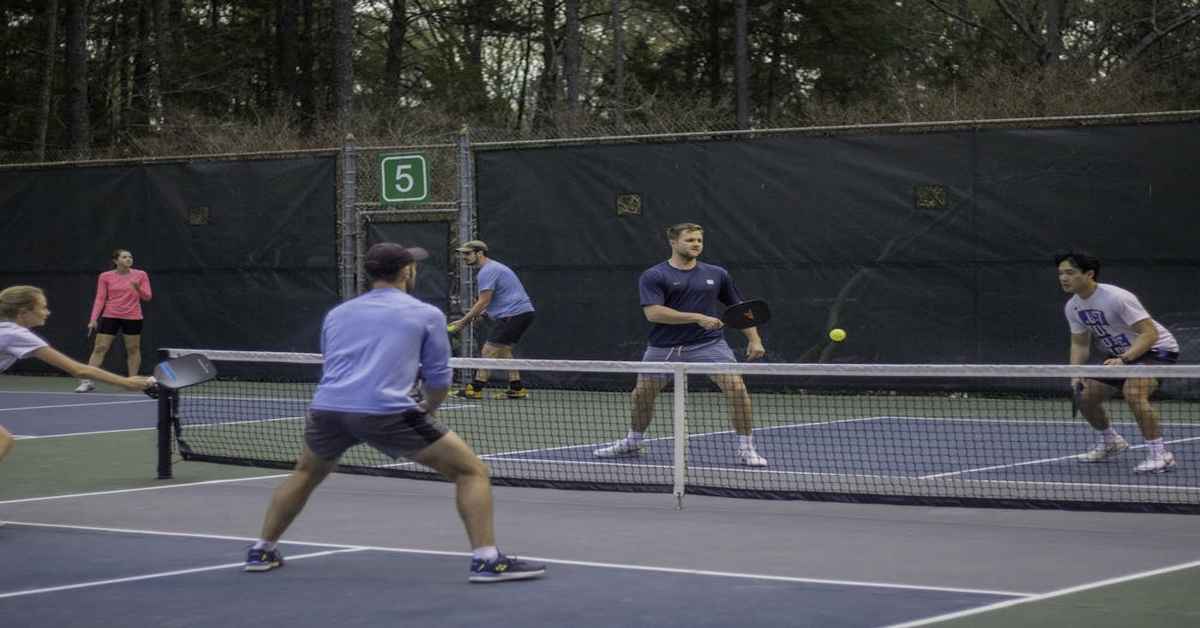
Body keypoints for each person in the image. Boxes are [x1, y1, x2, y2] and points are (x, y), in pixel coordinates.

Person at [244, 242, 545, 583]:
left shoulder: (338, 314)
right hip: (386, 412)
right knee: (471, 472)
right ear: (406, 272)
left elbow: (333, 365)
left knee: (305, 473)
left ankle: (261, 549)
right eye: (412, 265)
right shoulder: (425, 314)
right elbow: (438, 380)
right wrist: (427, 410)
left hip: (327, 409)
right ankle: (487, 560)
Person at [594, 223, 768, 467]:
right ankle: (633, 441)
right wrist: (696, 317)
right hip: (663, 347)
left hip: (708, 346)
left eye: (699, 240)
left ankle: (746, 448)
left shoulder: (717, 274)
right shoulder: (655, 275)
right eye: (689, 240)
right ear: (673, 243)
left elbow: (740, 310)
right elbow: (654, 313)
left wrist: (754, 339)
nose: (696, 244)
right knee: (642, 394)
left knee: (737, 389)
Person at [1, 285, 153, 464]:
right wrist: (125, 382)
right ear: (23, 312)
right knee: (4, 441)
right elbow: (79, 370)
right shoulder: (17, 334)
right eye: (42, 307)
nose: (47, 312)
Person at [1057, 251, 1179, 473]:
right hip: (1121, 356)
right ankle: (1112, 441)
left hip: (1157, 350)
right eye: (1061, 273)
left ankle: (1161, 455)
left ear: (1089, 274)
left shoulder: (1116, 297)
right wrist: (1075, 373)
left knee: (1133, 392)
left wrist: (1125, 359)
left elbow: (1149, 333)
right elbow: (1080, 345)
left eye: (1070, 273)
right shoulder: (1073, 307)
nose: (1064, 278)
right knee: (1085, 396)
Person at [449, 240, 536, 400]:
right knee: (503, 350)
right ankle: (517, 388)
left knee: (488, 350)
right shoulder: (492, 269)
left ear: (479, 253)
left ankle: (474, 389)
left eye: (468, 254)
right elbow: (497, 297)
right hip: (521, 313)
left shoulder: (488, 271)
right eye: (463, 254)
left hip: (514, 314)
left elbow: (484, 301)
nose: (464, 257)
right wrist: (481, 314)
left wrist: (463, 321)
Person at [76, 249, 152, 392]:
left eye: (130, 257)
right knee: (100, 348)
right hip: (110, 316)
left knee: (133, 349)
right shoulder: (105, 276)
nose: (128, 259)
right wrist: (93, 319)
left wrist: (138, 288)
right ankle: (88, 381)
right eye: (124, 257)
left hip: (133, 317)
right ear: (116, 261)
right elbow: (100, 298)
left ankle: (132, 381)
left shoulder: (141, 275)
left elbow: (147, 297)